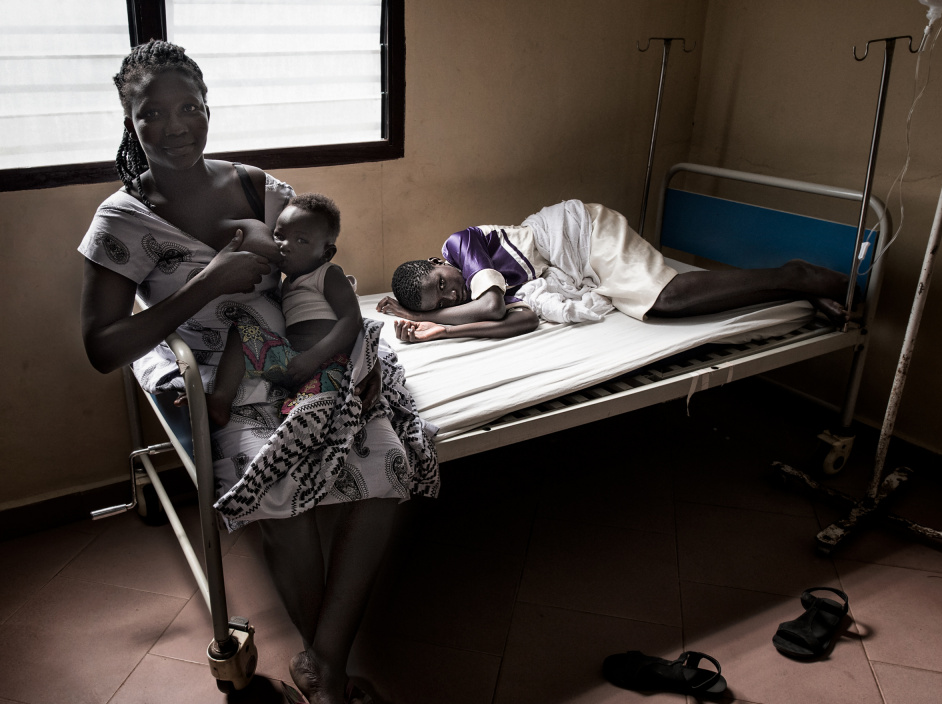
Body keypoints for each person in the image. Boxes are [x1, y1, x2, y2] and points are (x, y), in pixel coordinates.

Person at [79, 40, 433, 704]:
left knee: (386, 474)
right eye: (152, 113)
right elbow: (103, 347)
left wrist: (325, 326)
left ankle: (321, 661)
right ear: (129, 120)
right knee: (287, 507)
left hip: (302, 352)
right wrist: (206, 284)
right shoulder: (121, 221)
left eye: (190, 106)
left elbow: (317, 268)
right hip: (217, 372)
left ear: (209, 107)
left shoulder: (257, 188)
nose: (176, 125)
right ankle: (328, 668)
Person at [377, 199, 851, 343]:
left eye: (440, 285)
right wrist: (439, 334)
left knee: (666, 300)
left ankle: (796, 274)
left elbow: (493, 306)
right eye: (441, 302)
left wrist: (432, 320)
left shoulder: (459, 245)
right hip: (576, 267)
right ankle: (795, 292)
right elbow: (518, 320)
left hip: (580, 233)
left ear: (440, 263)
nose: (450, 296)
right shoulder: (482, 290)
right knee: (659, 307)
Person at [203, 193, 371, 429]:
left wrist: (313, 357)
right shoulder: (284, 283)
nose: (285, 246)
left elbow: (351, 320)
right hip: (292, 360)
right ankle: (220, 400)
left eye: (301, 241)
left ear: (326, 253)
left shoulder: (328, 273)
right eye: (279, 236)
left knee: (305, 418)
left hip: (330, 362)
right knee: (242, 334)